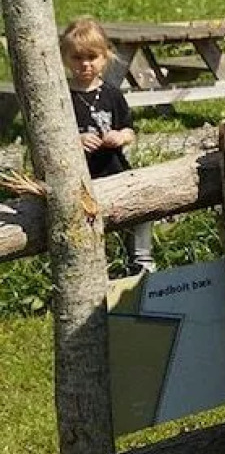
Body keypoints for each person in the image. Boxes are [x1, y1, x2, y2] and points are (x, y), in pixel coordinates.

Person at [59, 17, 152, 273]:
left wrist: (120, 136)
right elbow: (54, 138)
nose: (85, 64)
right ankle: (100, 265)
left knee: (144, 206)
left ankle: (141, 260)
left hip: (114, 168)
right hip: (82, 177)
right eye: (77, 58)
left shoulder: (111, 93)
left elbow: (129, 129)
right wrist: (76, 141)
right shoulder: (63, 97)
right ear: (66, 58)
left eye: (92, 57)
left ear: (105, 56)